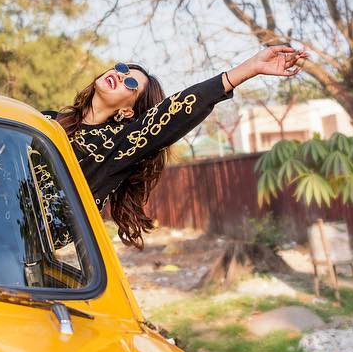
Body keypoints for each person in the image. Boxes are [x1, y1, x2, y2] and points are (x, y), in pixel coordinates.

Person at [49, 45, 307, 249]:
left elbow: (177, 110)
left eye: (130, 83)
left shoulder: (119, 145)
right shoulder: (44, 120)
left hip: (27, 246)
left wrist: (249, 69)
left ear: (128, 110)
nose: (120, 75)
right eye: (121, 68)